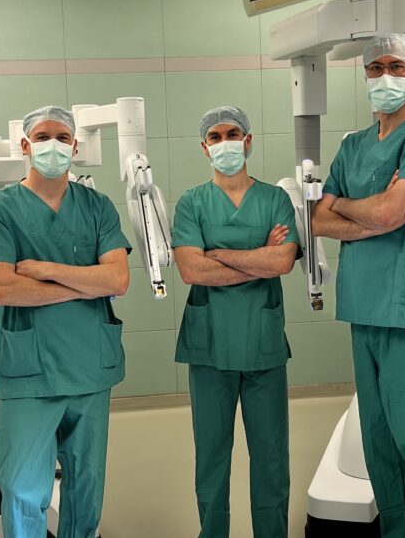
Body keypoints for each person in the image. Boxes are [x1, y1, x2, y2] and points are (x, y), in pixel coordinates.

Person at [312, 32, 405, 537]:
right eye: (376, 68)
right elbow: (318, 220)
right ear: (365, 76)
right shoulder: (352, 145)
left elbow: (393, 211)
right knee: (378, 440)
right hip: (363, 305)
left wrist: (352, 207)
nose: (386, 76)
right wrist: (368, 213)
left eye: (397, 66)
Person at [0, 105, 132, 538]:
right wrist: (85, 285)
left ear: (75, 147)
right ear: (25, 145)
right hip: (30, 372)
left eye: (62, 137)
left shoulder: (97, 206)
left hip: (89, 367)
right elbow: (3, 288)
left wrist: (45, 270)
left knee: (86, 484)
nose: (53, 146)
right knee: (22, 486)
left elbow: (117, 280)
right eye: (42, 137)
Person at [172, 106, 301, 538]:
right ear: (204, 147)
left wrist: (218, 254)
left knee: (271, 459)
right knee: (211, 459)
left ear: (248, 141)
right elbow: (191, 270)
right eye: (215, 136)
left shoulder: (276, 199)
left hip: (263, 344)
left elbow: (282, 262)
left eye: (232, 134)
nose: (224, 143)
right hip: (209, 347)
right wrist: (257, 257)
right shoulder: (191, 202)